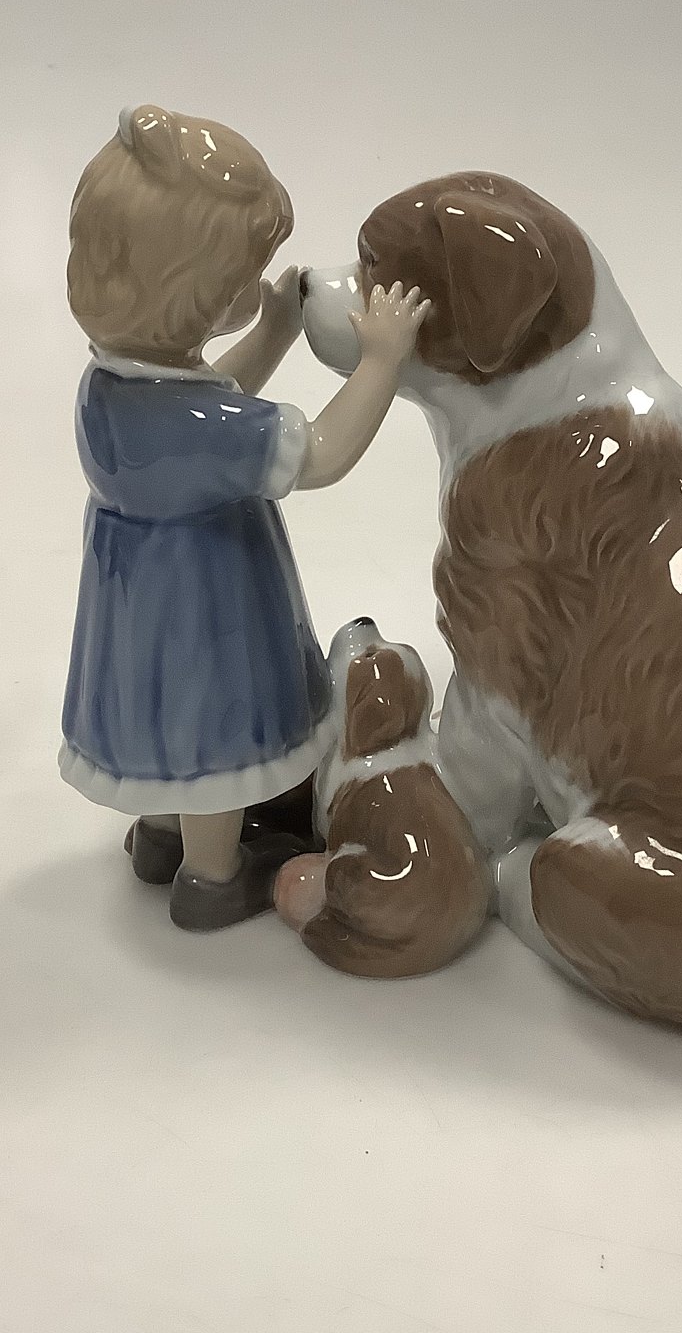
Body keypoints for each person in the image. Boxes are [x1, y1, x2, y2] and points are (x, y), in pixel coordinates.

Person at [60, 104, 429, 930]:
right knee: (209, 736)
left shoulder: (107, 388)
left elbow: (216, 391)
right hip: (207, 607)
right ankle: (213, 874)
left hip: (135, 607)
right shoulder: (202, 428)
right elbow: (321, 453)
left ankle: (160, 836)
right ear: (190, 293)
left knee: (158, 721)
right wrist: (380, 362)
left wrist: (275, 333)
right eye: (238, 280)